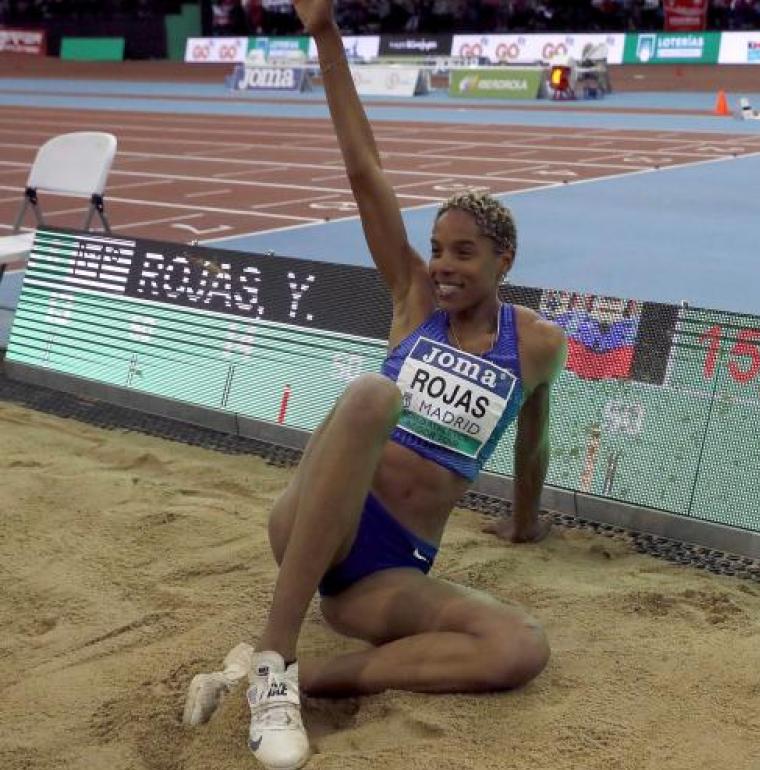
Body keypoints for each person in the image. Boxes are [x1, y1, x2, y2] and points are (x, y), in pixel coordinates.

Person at [185, 0, 569, 767]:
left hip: (385, 576)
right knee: (372, 395)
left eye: (463, 252)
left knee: (518, 647)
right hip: (317, 523)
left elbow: (534, 444)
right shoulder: (412, 300)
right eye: (435, 247)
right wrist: (325, 34)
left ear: (504, 263)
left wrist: (525, 523)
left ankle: (294, 680)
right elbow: (366, 173)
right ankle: (272, 658)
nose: (443, 265)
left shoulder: (537, 345)